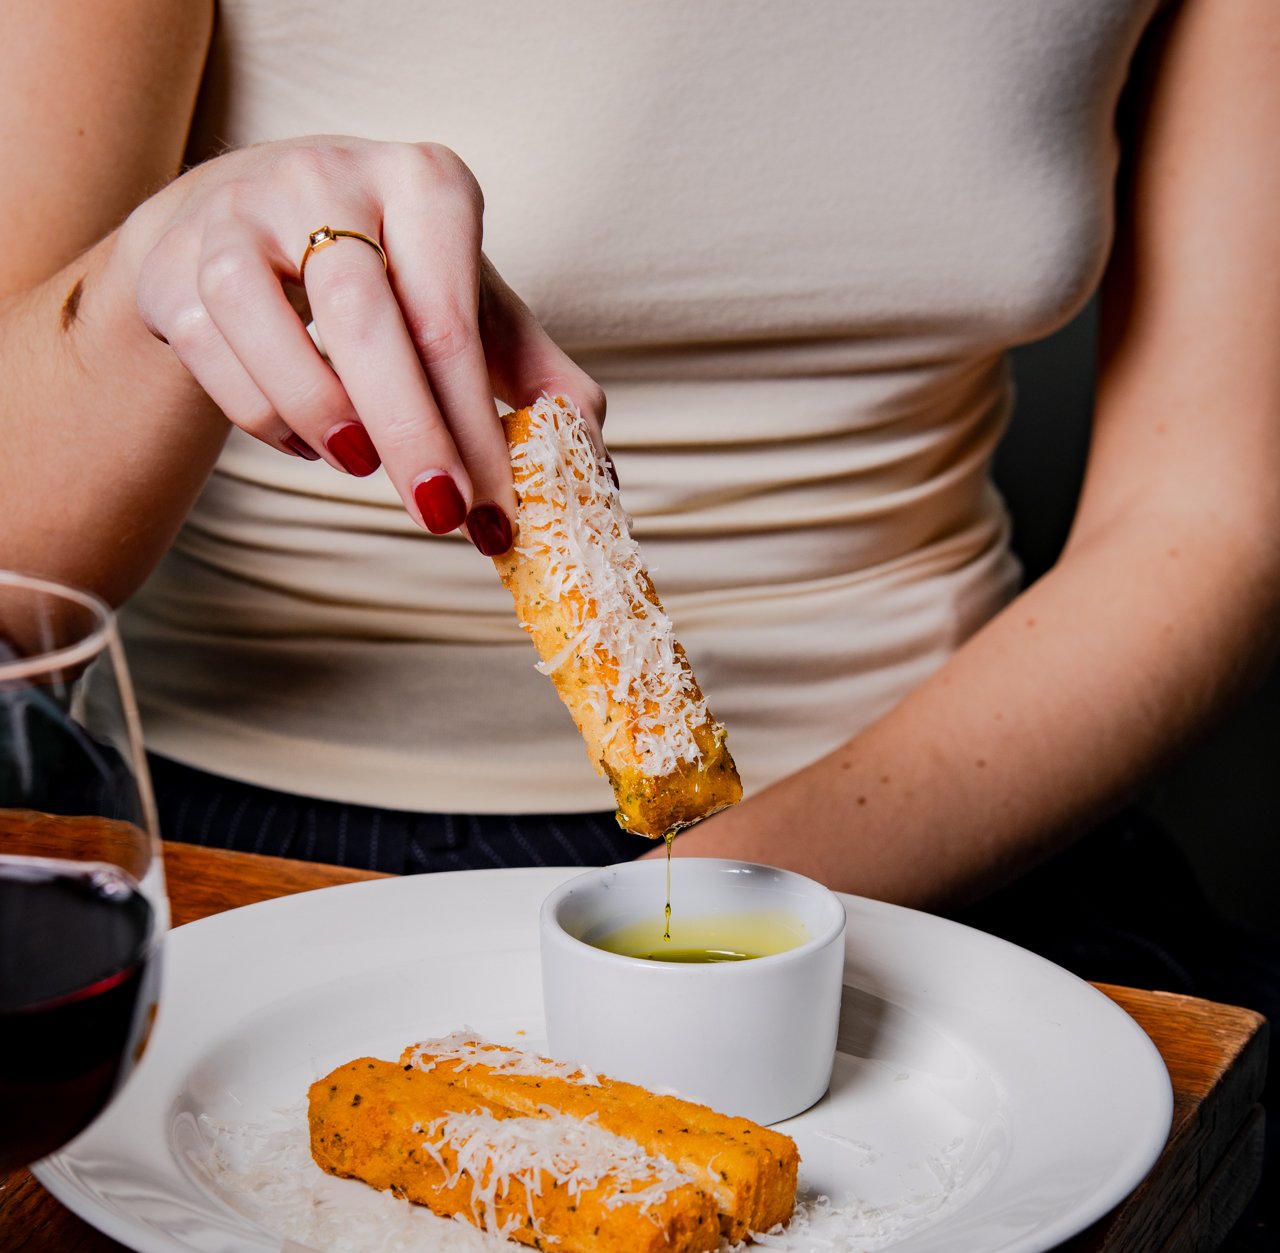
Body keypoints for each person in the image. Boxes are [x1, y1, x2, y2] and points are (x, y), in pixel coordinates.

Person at [1, 0, 1277, 1007]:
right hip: (268, 857)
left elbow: (1204, 523)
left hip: (959, 817)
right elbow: (16, 565)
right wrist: (148, 280)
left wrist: (716, 898)